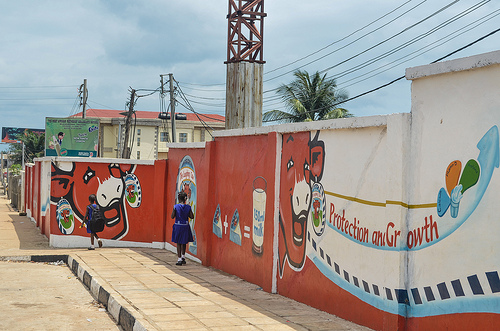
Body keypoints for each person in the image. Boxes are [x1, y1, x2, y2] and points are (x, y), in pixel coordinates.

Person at [171, 191, 194, 265]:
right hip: (185, 226)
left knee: (178, 243)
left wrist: (174, 210)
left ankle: (179, 259)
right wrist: (188, 208)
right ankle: (183, 257)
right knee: (184, 242)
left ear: (178, 198)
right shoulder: (188, 207)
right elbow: (192, 216)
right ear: (185, 199)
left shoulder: (176, 206)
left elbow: (172, 216)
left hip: (178, 226)